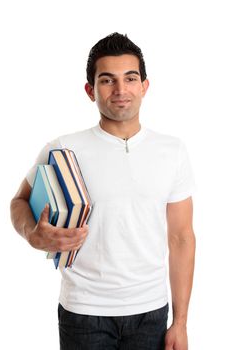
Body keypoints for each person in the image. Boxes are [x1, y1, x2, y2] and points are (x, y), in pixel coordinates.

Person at [10, 32, 196, 350]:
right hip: (83, 312)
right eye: (107, 80)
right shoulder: (63, 148)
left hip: (150, 312)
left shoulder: (172, 151)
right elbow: (19, 201)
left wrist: (180, 323)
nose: (121, 90)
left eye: (130, 78)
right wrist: (32, 234)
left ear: (145, 86)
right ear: (90, 90)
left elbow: (181, 238)